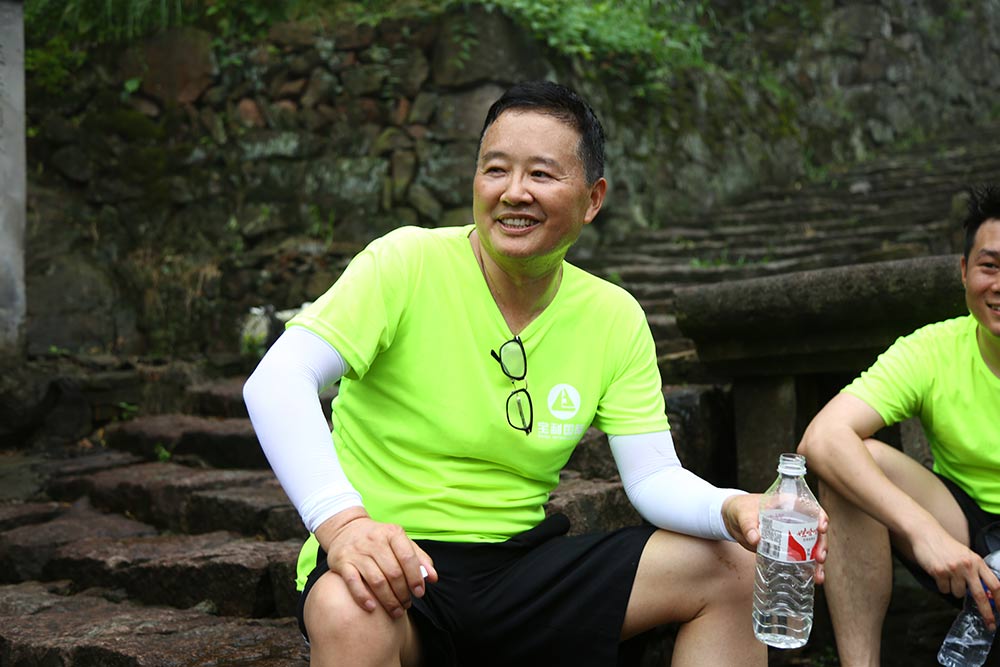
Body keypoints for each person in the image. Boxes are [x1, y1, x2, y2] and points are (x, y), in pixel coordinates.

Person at [244, 80, 825, 666]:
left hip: (519, 570)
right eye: (495, 170)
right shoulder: (406, 262)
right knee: (347, 607)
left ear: (593, 199)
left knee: (735, 566)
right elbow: (277, 380)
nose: (513, 192)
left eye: (541, 174)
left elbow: (652, 476)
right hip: (393, 561)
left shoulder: (612, 315)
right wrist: (344, 525)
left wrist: (732, 508)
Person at [797, 183, 1000, 666]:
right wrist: (924, 531)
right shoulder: (932, 350)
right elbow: (821, 438)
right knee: (850, 462)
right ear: (964, 271)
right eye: (990, 266)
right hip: (964, 532)